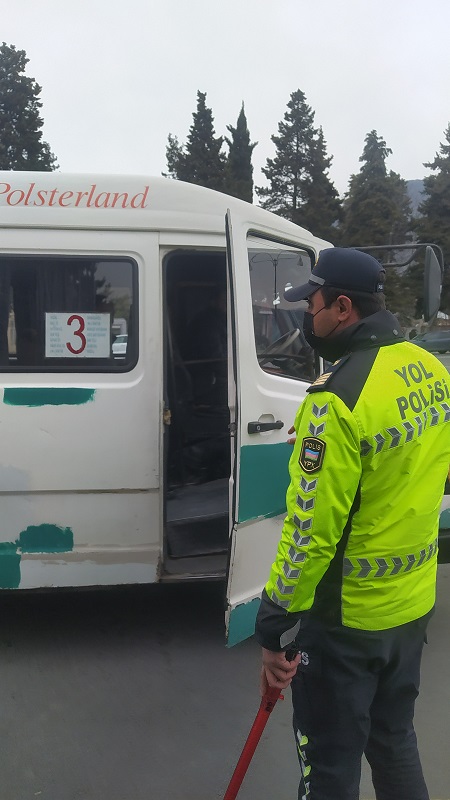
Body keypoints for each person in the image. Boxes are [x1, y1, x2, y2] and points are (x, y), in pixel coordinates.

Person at [254, 247, 450, 800]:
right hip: (411, 607)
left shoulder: (335, 400)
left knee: (330, 767)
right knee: (394, 741)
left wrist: (274, 627)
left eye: (311, 304)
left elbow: (309, 535)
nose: (306, 316)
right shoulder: (431, 370)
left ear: (342, 307)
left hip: (346, 623)